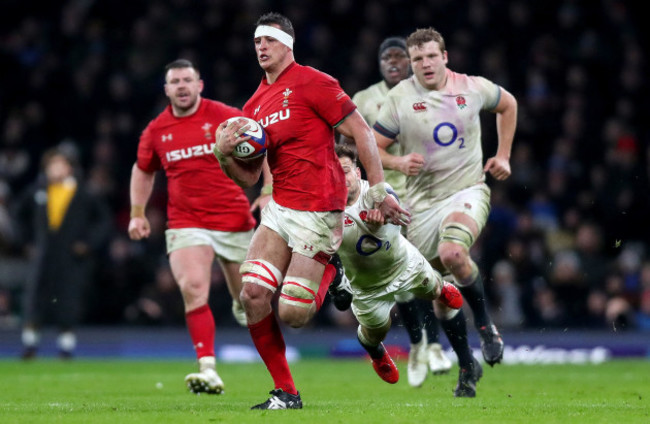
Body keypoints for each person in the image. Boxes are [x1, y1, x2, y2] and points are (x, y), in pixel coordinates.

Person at [213, 12, 410, 410]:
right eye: (256, 42)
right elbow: (249, 176)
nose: (261, 47)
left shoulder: (313, 82)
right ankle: (286, 392)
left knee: (294, 314)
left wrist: (377, 191)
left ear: (288, 43)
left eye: (268, 40)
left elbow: (361, 132)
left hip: (320, 209)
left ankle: (333, 270)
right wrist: (222, 155)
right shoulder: (253, 104)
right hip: (281, 208)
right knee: (252, 295)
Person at [373, 27, 518, 367]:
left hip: (467, 189)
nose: (425, 63)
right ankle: (467, 365)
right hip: (421, 205)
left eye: (431, 56)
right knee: (441, 294)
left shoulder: (472, 86)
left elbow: (508, 104)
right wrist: (398, 161)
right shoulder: (399, 99)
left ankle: (485, 326)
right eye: (417, 58)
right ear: (410, 63)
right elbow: (373, 148)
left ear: (445, 57)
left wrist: (504, 155)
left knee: (452, 252)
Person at [128, 59, 264, 395]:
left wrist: (270, 191)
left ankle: (239, 303)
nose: (182, 86)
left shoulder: (225, 117)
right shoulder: (157, 130)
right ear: (167, 89)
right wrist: (137, 212)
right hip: (186, 223)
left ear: (200, 85)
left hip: (234, 221)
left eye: (187, 80)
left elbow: (264, 148)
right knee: (192, 286)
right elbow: (143, 169)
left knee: (250, 302)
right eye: (175, 81)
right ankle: (208, 368)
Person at [339, 36, 452, 387]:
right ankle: (419, 342)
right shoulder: (362, 100)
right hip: (372, 192)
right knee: (387, 262)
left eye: (399, 56)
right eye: (385, 56)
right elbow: (353, 143)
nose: (392, 61)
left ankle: (431, 343)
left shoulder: (428, 93)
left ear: (412, 62)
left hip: (418, 193)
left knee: (420, 265)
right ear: (378, 63)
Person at [335, 144, 482, 397]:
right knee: (375, 332)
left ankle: (442, 288)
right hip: (366, 285)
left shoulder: (375, 194)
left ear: (358, 173)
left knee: (432, 288)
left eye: (346, 170)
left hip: (405, 264)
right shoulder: (325, 212)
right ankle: (376, 353)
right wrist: (336, 285)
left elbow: (393, 200)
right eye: (334, 172)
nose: (342, 178)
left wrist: (386, 212)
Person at [13, 146, 111, 359]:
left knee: (68, 298)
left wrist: (88, 243)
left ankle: (66, 346)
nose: (55, 169)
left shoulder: (83, 192)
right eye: (51, 165)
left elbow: (103, 220)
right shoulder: (38, 191)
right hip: (43, 255)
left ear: (70, 168)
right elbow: (17, 215)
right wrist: (26, 242)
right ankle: (30, 344)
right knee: (34, 298)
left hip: (71, 257)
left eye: (60, 164)